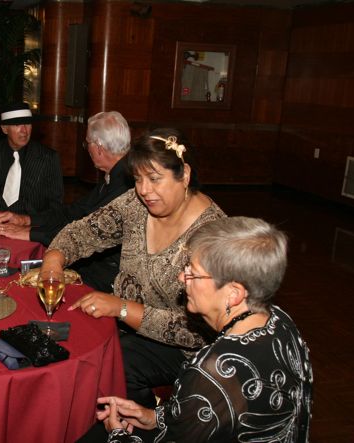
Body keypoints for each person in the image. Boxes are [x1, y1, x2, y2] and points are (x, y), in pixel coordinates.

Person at [41, 128, 226, 409]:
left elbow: (199, 330)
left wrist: (122, 308)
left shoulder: (212, 235)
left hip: (185, 349)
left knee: (113, 364)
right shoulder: (137, 205)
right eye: (138, 178)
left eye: (154, 179)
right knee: (68, 337)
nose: (143, 190)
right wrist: (53, 261)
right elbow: (82, 233)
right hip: (128, 326)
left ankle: (144, 429)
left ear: (184, 175)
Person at [95, 217, 313, 442]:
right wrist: (154, 416)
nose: (182, 277)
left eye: (194, 272)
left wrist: (117, 433)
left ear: (234, 293)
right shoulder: (281, 321)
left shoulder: (214, 371)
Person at [0, 111, 133, 291]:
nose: (87, 148)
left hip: (105, 280)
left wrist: (28, 233)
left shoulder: (125, 185)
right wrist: (26, 220)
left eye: (87, 143)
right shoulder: (115, 175)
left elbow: (84, 232)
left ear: (98, 147)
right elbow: (72, 212)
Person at [0, 102, 63, 215]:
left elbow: (55, 205)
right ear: (5, 129)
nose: (24, 131)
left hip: (27, 223)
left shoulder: (48, 158)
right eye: (17, 125)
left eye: (27, 124)